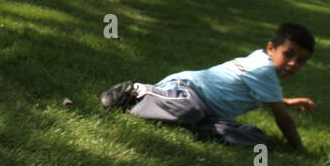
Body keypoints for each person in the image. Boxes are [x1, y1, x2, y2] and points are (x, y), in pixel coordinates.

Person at [100, 22, 316, 149]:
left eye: (301, 60)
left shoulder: (263, 67)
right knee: (190, 109)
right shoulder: (264, 70)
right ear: (271, 48)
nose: (292, 64)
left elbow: (270, 101)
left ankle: (196, 129)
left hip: (207, 111)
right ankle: (139, 90)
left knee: (256, 136)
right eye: (288, 54)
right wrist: (298, 148)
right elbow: (283, 119)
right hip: (187, 91)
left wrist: (287, 102)